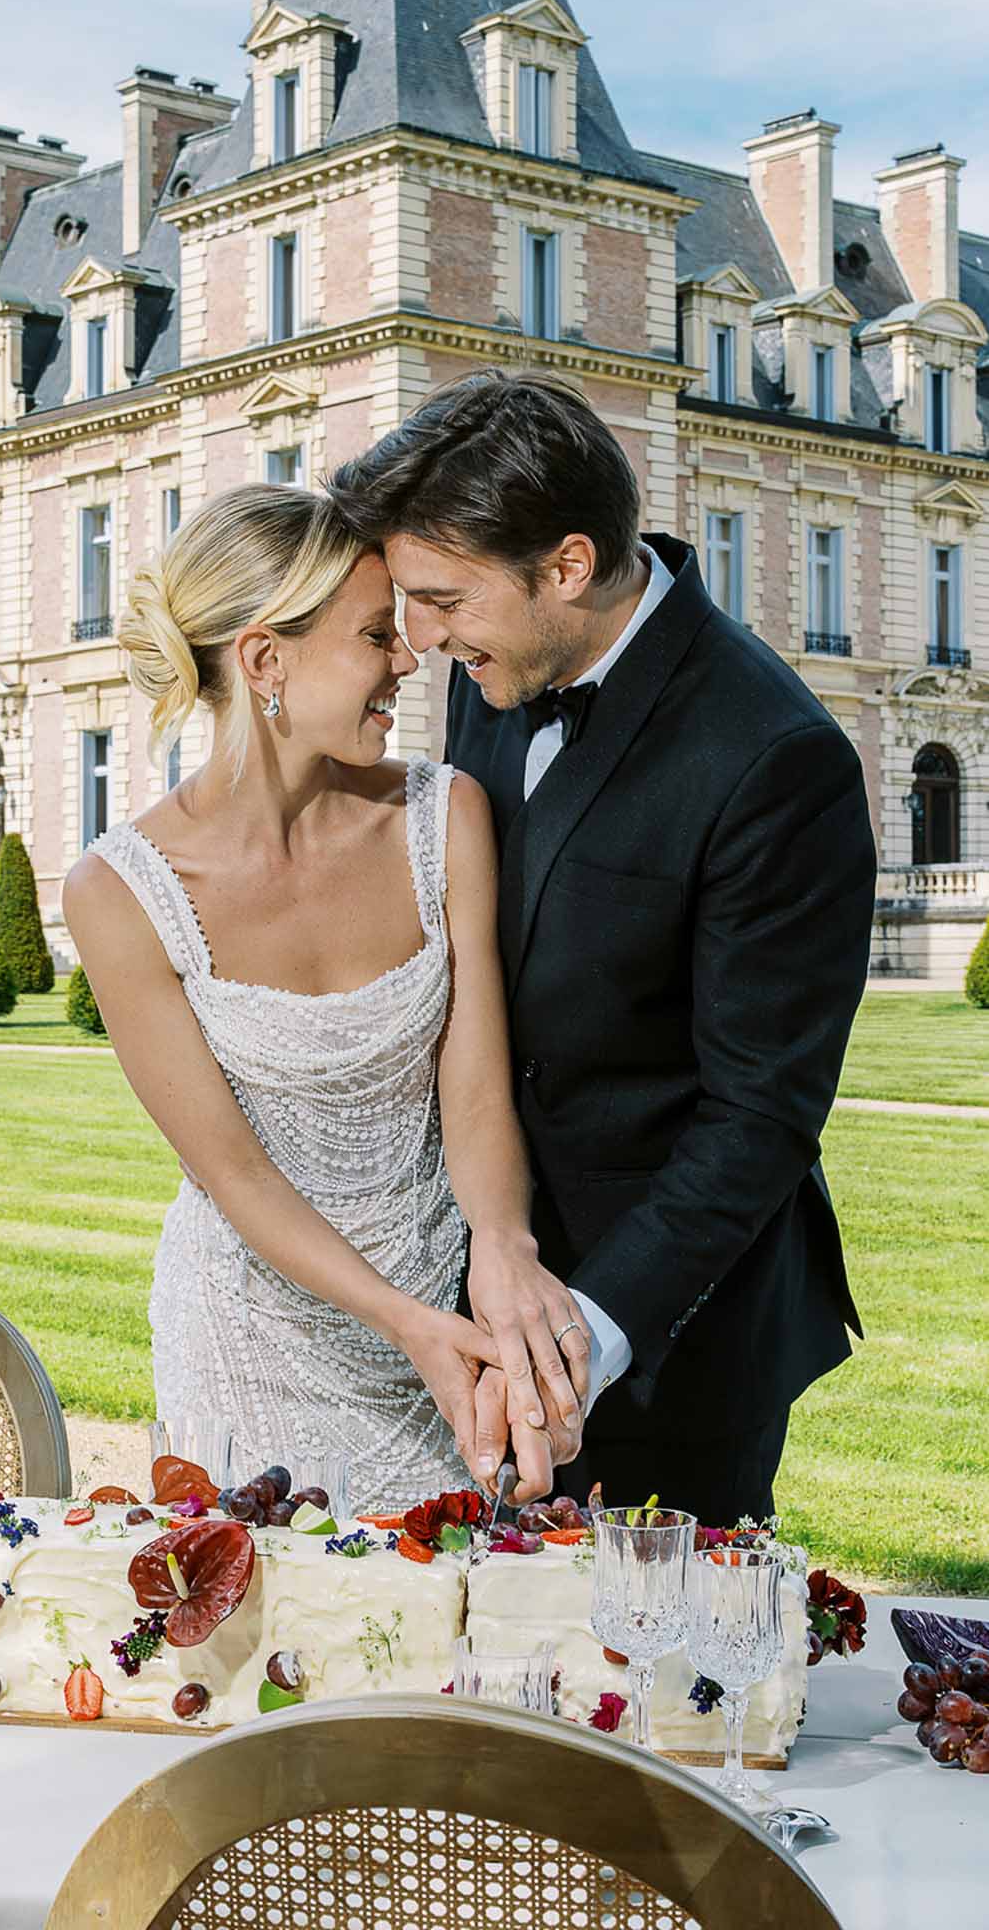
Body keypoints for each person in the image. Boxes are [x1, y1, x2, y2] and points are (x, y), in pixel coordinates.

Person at [326, 371, 878, 1527]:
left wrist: (581, 1338)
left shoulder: (777, 757)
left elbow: (759, 1116)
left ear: (567, 566)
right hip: (468, 1284)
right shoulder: (504, 661)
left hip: (676, 1330)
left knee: (660, 1685)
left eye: (441, 599)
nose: (418, 641)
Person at [62, 484, 587, 1512]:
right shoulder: (119, 892)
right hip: (256, 1338)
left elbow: (473, 1085)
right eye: (374, 635)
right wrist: (404, 1320)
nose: (408, 657)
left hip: (447, 1311)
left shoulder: (446, 815)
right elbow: (235, 1173)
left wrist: (501, 1257)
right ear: (266, 661)